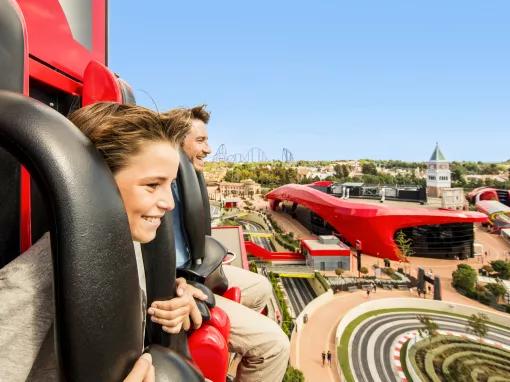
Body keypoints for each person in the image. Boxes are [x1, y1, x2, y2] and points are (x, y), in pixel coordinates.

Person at [0, 103, 205, 381]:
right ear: (98, 185)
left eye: (170, 185)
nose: (169, 203)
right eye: (152, 185)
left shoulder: (130, 245)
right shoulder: (36, 280)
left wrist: (176, 300)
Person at [164, 105, 290, 381]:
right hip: (184, 280)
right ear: (176, 140)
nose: (209, 149)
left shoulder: (187, 178)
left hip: (195, 269)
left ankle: (234, 350)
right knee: (276, 346)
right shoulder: (165, 186)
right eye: (200, 140)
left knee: (262, 287)